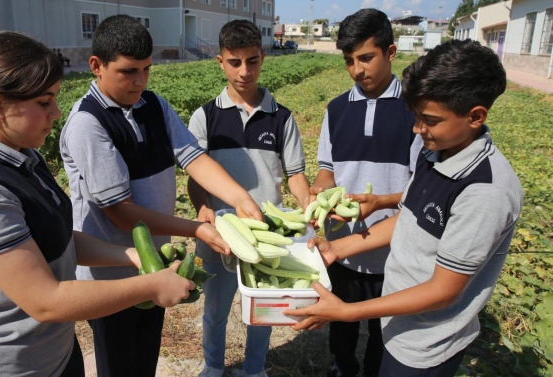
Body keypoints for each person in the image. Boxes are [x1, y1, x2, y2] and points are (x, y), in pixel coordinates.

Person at [0, 31, 195, 377]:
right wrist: (151, 286)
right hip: (10, 365)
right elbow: (46, 301)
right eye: (44, 103)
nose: (56, 113)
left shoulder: (24, 158)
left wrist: (129, 255)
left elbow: (57, 239)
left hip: (56, 353)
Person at [286, 39, 523, 377]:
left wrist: (348, 312)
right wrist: (337, 248)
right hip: (399, 325)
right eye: (416, 117)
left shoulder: (485, 191)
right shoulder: (437, 154)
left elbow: (442, 290)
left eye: (429, 120)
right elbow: (408, 219)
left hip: (425, 345)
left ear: (475, 116)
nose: (417, 129)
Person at [59, 15, 263, 377]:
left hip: (155, 264)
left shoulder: (153, 105)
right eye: (128, 71)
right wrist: (196, 229)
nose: (140, 81)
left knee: (145, 359)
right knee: (120, 363)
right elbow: (122, 214)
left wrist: (240, 197)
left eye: (147, 69)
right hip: (112, 278)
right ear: (96, 66)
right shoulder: (88, 124)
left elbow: (193, 157)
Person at [187, 20, 310, 377]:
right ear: (220, 62)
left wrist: (307, 206)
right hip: (219, 236)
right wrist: (203, 208)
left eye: (252, 61)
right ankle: (213, 366)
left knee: (263, 310)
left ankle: (254, 370)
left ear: (263, 57)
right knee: (215, 309)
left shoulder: (281, 118)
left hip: (264, 233)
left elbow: (296, 176)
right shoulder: (205, 116)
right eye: (235, 62)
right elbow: (195, 175)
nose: (245, 71)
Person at [308, 8, 423, 377]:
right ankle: (342, 366)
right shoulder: (337, 109)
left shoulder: (415, 110)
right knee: (341, 322)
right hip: (340, 246)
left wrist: (381, 203)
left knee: (383, 328)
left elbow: (422, 186)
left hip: (393, 249)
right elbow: (327, 166)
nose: (358, 69)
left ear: (390, 53)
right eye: (349, 61)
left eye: (366, 58)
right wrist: (322, 187)